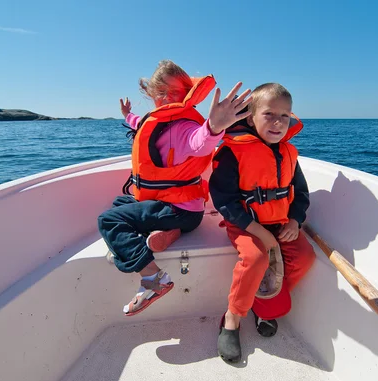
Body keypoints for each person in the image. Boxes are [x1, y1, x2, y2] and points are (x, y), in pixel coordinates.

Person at [98, 60, 252, 316]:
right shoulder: (157, 121)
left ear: (187, 94)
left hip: (179, 209)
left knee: (108, 221)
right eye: (160, 92)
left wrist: (214, 127)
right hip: (182, 211)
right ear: (152, 95)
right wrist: (126, 114)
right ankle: (170, 232)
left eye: (174, 92)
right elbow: (139, 123)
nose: (166, 97)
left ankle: (152, 280)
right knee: (120, 203)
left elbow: (199, 142)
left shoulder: (183, 126)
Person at [209, 83, 316, 363]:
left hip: (280, 223)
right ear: (250, 117)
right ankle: (232, 319)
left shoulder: (290, 154)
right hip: (244, 224)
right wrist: (260, 233)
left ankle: (262, 299)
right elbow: (224, 201)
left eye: (285, 115)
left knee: (305, 257)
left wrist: (295, 220)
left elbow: (300, 193)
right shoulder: (232, 152)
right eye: (269, 114)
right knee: (256, 258)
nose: (278, 122)